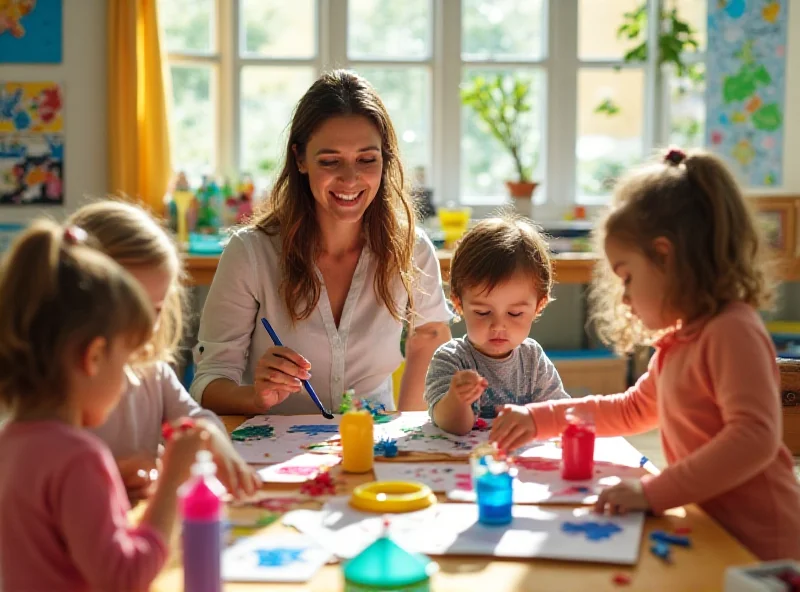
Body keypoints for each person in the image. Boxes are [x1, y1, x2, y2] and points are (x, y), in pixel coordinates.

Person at [491, 148, 800, 560]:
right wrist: (538, 418)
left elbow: (753, 439)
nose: (624, 295)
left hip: (766, 550)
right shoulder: (680, 343)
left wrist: (652, 492)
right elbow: (631, 409)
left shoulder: (731, 330)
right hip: (715, 538)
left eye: (627, 276)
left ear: (664, 255)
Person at [191, 69, 452, 415]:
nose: (350, 178)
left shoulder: (412, 249)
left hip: (373, 446)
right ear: (300, 159)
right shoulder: (251, 254)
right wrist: (255, 396)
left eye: (366, 159)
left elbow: (431, 340)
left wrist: (407, 438)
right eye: (330, 161)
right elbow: (208, 382)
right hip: (276, 458)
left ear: (385, 159)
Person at [0, 221, 208, 590]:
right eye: (126, 358)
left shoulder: (10, 441)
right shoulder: (79, 457)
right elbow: (124, 578)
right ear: (94, 357)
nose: (129, 378)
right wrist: (174, 477)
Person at [67, 200, 260, 502]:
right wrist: (113, 478)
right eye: (133, 308)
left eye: (155, 309)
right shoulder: (60, 386)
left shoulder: (152, 372)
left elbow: (196, 418)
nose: (147, 325)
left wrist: (213, 441)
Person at [425, 215, 569, 435]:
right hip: (464, 465)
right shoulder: (451, 359)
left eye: (515, 313)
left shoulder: (533, 359)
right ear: (459, 304)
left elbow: (558, 414)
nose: (498, 325)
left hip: (518, 465)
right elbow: (454, 426)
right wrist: (457, 398)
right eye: (483, 312)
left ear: (538, 307)